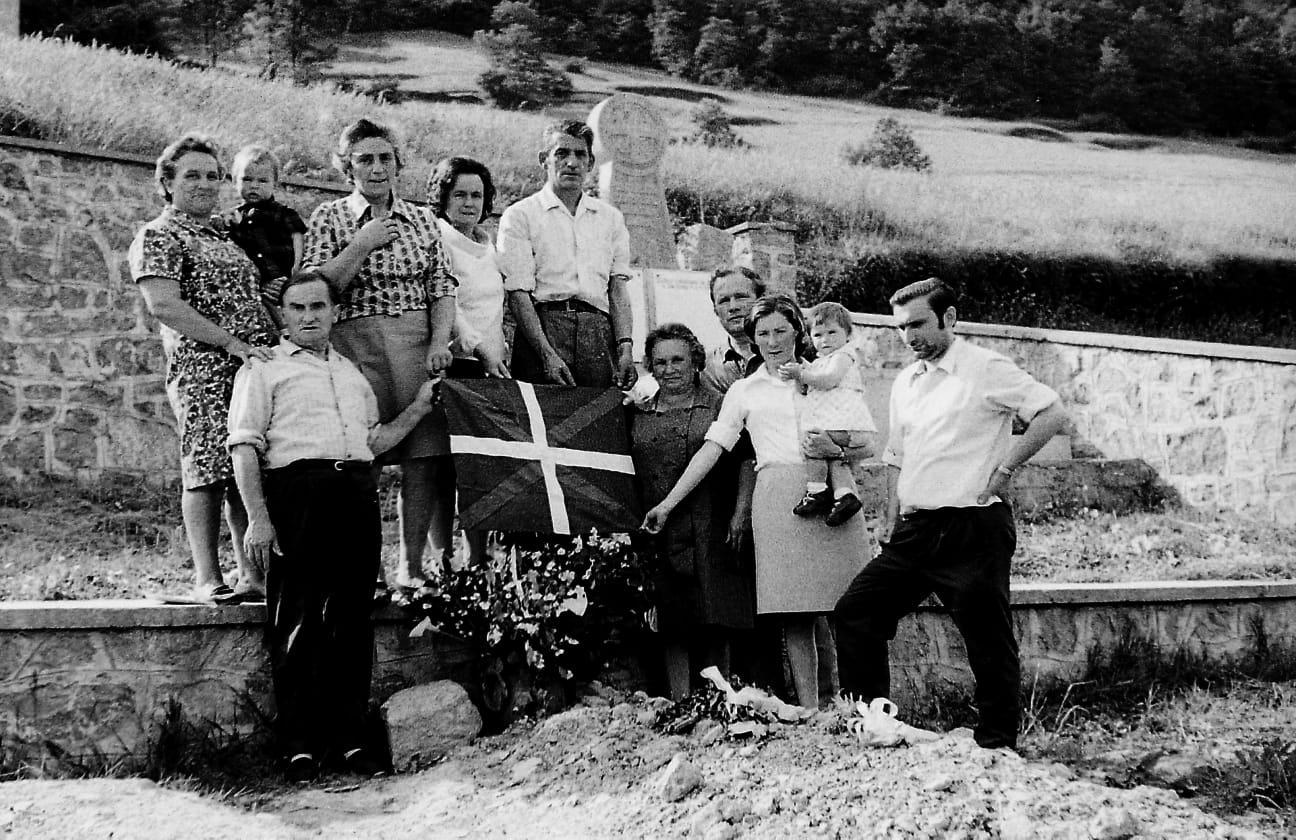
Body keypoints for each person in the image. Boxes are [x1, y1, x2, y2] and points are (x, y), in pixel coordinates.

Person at [834, 278, 1070, 750]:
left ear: (950, 318)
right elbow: (897, 455)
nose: (909, 337)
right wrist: (891, 516)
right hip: (915, 531)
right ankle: (871, 723)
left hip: (972, 528)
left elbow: (1052, 413)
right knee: (856, 613)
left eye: (918, 324)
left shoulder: (985, 368)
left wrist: (1005, 469)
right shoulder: (906, 381)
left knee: (987, 639)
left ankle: (996, 743)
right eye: (901, 328)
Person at [228, 271, 440, 782]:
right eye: (297, 308)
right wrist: (259, 518)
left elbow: (376, 440)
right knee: (297, 618)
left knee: (351, 618)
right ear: (283, 315)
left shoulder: (350, 374)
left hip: (355, 494)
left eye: (318, 307)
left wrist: (418, 408)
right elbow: (244, 447)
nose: (308, 317)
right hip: (297, 493)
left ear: (335, 312)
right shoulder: (264, 368)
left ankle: (349, 741)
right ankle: (300, 746)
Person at [643, 296, 867, 710]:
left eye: (781, 330)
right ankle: (811, 712)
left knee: (851, 606)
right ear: (753, 338)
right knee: (795, 614)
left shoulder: (829, 375)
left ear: (798, 331)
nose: (773, 341)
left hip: (835, 495)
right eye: (763, 333)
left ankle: (860, 707)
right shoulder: (744, 390)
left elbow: (867, 442)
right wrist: (668, 505)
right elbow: (713, 448)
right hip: (778, 496)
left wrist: (835, 448)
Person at [302, 118, 458, 590]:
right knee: (360, 457)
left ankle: (411, 566)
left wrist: (439, 341)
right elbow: (316, 289)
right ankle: (365, 568)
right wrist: (361, 243)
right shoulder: (329, 216)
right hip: (355, 346)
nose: (376, 168)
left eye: (385, 158)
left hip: (415, 346)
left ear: (398, 164)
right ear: (346, 167)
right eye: (364, 159)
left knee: (423, 457)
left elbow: (441, 287)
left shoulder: (423, 219)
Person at [130, 133, 277, 605]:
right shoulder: (160, 234)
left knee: (246, 470)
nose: (205, 183)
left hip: (249, 367)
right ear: (167, 183)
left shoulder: (223, 233)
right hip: (204, 368)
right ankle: (207, 577)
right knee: (207, 470)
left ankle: (252, 576)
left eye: (213, 176)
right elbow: (165, 305)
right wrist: (230, 342)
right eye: (192, 175)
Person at [630, 323, 754, 700]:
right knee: (671, 619)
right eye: (660, 362)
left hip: (711, 522)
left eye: (677, 360)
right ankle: (679, 700)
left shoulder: (720, 404)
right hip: (659, 528)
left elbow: (747, 460)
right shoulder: (638, 412)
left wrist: (741, 513)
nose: (669, 369)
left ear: (696, 361)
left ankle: (721, 700)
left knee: (716, 616)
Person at [497, 119, 637, 390]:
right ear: (544, 160)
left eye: (580, 154)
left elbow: (618, 290)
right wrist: (546, 354)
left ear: (591, 162)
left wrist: (625, 348)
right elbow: (518, 294)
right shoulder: (521, 215)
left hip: (597, 332)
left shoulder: (610, 218)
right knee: (543, 412)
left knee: (596, 412)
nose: (572, 163)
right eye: (561, 153)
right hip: (544, 328)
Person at [428, 155, 508, 568]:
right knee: (445, 469)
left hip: (490, 369)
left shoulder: (488, 244)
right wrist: (477, 347)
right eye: (459, 194)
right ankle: (444, 561)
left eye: (477, 195)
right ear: (443, 198)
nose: (469, 203)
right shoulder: (436, 238)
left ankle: (477, 561)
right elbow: (448, 303)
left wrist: (497, 352)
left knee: (481, 469)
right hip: (455, 363)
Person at [780, 302, 877, 527]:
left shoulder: (843, 356)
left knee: (813, 444)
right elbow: (806, 389)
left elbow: (828, 380)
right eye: (818, 335)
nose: (825, 340)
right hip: (838, 423)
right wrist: (797, 377)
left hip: (845, 421)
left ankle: (817, 490)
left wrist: (801, 374)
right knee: (831, 456)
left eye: (832, 332)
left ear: (848, 335)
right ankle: (844, 495)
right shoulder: (819, 362)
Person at [224, 144, 306, 329]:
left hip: (282, 274)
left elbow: (297, 237)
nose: (254, 186)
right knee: (265, 308)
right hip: (256, 282)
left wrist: (295, 269)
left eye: (262, 181)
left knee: (287, 307)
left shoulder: (283, 213)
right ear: (235, 180)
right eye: (247, 179)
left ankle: (288, 329)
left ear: (274, 184)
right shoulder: (233, 217)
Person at [702, 265, 765, 393]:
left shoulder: (785, 354)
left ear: (761, 301)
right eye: (724, 301)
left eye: (741, 297)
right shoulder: (707, 369)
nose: (733, 307)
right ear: (715, 310)